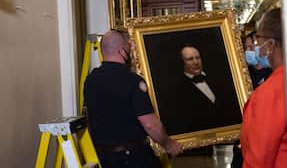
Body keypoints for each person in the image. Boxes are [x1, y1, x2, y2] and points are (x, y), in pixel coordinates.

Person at [84, 30, 183, 168]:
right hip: (133, 158)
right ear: (122, 51)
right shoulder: (132, 81)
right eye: (129, 48)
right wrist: (169, 144)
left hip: (104, 159)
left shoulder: (90, 80)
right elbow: (150, 125)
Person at [241, 8, 287, 167]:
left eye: (258, 38)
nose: (256, 45)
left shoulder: (270, 91)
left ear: (271, 44)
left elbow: (259, 159)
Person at [161, 45, 242, 135]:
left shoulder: (219, 79)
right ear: (182, 62)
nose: (196, 62)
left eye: (198, 58)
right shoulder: (176, 90)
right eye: (190, 59)